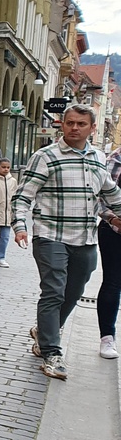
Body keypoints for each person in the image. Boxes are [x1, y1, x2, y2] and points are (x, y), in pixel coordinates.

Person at [13, 104, 121, 380]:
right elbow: (23, 196)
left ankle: (44, 331)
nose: (74, 128)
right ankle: (51, 352)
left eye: (81, 124)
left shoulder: (98, 157)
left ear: (92, 128)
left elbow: (110, 194)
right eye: (70, 122)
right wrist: (20, 226)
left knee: (74, 292)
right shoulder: (45, 156)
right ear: (62, 124)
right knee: (53, 291)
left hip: (85, 238)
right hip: (50, 235)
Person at [97, 144, 121, 359]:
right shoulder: (116, 159)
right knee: (113, 282)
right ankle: (107, 337)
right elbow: (99, 196)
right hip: (115, 230)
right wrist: (113, 219)